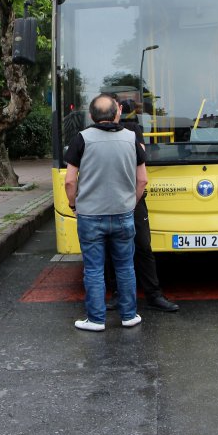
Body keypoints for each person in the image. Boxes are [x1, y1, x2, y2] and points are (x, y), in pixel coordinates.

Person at [64, 94, 147, 331]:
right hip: (123, 213)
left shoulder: (82, 138)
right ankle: (129, 315)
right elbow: (142, 180)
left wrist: (74, 205)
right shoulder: (131, 138)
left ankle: (96, 319)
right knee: (125, 267)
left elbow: (70, 181)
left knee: (93, 269)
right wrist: (130, 203)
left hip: (90, 215)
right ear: (117, 112)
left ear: (91, 116)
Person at [106, 99, 179, 313]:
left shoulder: (132, 129)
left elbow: (140, 161)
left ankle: (153, 294)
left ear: (120, 110)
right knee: (113, 248)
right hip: (111, 198)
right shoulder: (93, 134)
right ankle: (118, 294)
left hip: (132, 197)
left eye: (116, 107)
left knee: (143, 247)